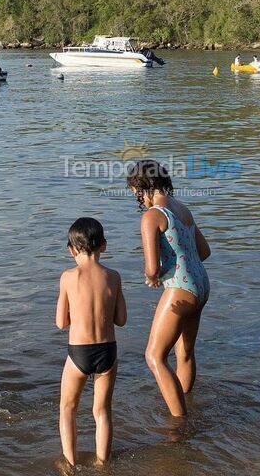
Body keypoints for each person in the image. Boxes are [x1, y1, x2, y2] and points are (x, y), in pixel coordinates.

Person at [126, 159, 211, 418]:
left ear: (143, 187)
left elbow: (151, 269)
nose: (137, 199)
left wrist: (154, 277)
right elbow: (204, 252)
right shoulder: (182, 209)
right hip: (201, 285)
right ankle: (186, 404)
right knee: (184, 353)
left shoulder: (152, 216)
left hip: (180, 289)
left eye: (135, 193)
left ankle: (179, 423)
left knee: (154, 356)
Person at [56, 217, 127, 466]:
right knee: (102, 411)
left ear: (71, 250)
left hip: (79, 353)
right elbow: (121, 319)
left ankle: (70, 465)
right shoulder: (114, 277)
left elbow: (60, 322)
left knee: (68, 409)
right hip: (108, 351)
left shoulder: (68, 277)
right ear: (104, 246)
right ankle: (102, 465)